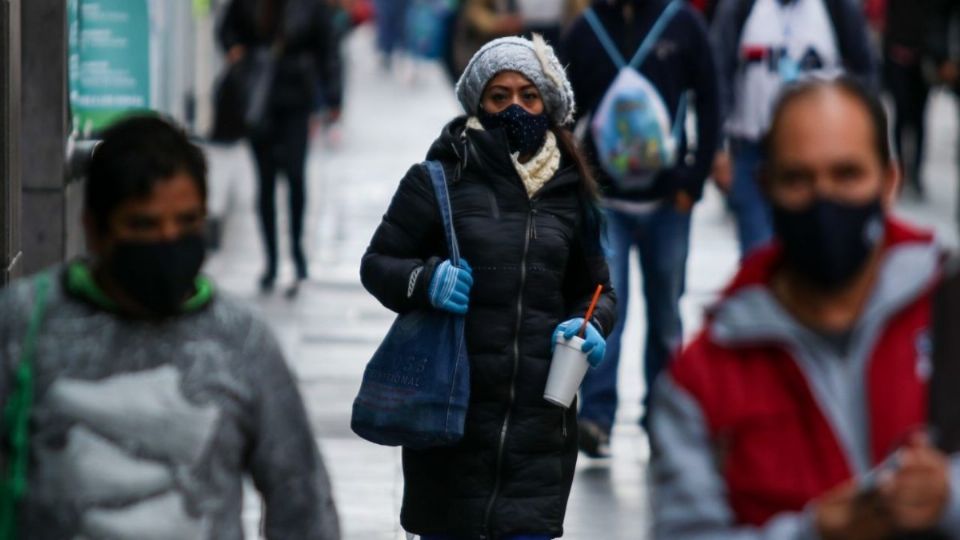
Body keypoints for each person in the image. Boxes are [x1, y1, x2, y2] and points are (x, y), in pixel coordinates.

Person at [0, 115, 340, 539]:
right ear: (95, 230)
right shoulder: (22, 325)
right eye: (144, 225)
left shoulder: (241, 341)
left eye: (186, 223)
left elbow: (303, 505)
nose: (167, 239)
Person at [650, 77, 960, 539]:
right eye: (798, 179)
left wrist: (948, 498)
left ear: (889, 181)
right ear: (766, 186)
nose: (824, 199)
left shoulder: (948, 310)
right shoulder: (704, 376)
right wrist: (813, 532)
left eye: (847, 174)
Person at [360, 34, 616, 539]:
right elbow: (378, 263)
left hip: (540, 430)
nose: (515, 107)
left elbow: (598, 290)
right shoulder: (438, 178)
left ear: (548, 104)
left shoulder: (572, 190)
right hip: (453, 422)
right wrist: (425, 280)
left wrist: (592, 326)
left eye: (528, 95)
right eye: (500, 96)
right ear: (479, 101)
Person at [559, 0, 720, 456]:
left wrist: (695, 177)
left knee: (667, 313)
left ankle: (664, 418)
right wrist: (573, 185)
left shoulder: (681, 23)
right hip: (606, 202)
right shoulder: (586, 30)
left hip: (669, 202)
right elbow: (563, 113)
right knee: (609, 310)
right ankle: (596, 417)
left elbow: (710, 98)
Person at [711, 0, 876, 256]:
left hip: (821, 153)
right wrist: (718, 147)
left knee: (815, 249)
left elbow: (865, 72)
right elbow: (718, 73)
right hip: (754, 150)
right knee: (759, 253)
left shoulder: (837, 8)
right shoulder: (740, 7)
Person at [218, 0, 343, 296]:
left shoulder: (311, 6)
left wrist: (334, 97)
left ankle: (297, 256)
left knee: (296, 176)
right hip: (258, 98)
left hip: (296, 96)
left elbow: (328, 48)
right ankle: (271, 261)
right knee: (265, 180)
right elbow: (225, 30)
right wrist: (236, 52)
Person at [881, 0, 932, 198]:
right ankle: (901, 169)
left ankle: (917, 171)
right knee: (901, 112)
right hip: (896, 54)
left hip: (923, 56)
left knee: (919, 116)